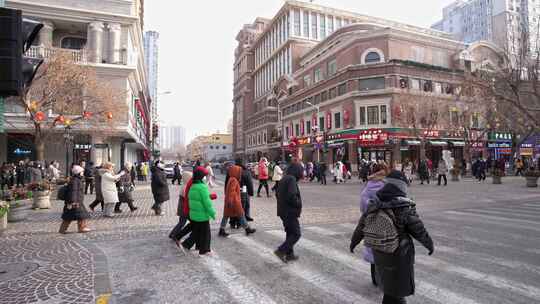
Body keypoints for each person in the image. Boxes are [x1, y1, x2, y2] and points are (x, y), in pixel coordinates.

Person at [350, 170, 434, 304]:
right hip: (399, 254)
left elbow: (361, 226)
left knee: (389, 289)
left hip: (380, 251)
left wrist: (353, 242)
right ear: (401, 187)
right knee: (398, 293)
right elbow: (419, 230)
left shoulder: (375, 202)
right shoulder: (404, 206)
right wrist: (429, 245)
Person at [359, 163, 388, 286]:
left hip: (371, 223)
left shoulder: (367, 188)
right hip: (386, 223)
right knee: (386, 251)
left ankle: (375, 279)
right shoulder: (387, 186)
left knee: (373, 252)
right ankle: (385, 278)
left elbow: (362, 207)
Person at [181, 166, 216, 255]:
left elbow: (194, 200)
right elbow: (207, 203)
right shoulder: (202, 187)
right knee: (206, 234)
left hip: (195, 214)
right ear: (201, 176)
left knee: (197, 232)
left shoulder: (193, 185)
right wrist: (212, 213)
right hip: (202, 215)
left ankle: (186, 244)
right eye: (204, 175)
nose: (205, 177)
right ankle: (205, 250)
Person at [274, 162, 304, 263]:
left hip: (283, 211)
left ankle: (289, 254)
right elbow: (292, 196)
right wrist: (298, 203)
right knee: (296, 234)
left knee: (290, 232)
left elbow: (277, 194)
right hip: (289, 212)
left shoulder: (284, 178)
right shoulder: (291, 179)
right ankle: (281, 250)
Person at [218, 164, 257, 237]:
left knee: (226, 216)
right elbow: (232, 192)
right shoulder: (234, 180)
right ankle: (247, 229)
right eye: (239, 172)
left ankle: (222, 229)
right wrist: (231, 201)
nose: (240, 173)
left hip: (230, 201)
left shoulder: (231, 179)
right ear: (236, 172)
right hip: (234, 201)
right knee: (241, 214)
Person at [59, 165, 91, 234]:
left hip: (77, 201)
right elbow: (73, 191)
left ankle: (81, 228)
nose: (83, 173)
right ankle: (63, 229)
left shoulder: (76, 179)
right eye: (82, 172)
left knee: (80, 215)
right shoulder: (75, 180)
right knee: (71, 216)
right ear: (78, 172)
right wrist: (73, 201)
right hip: (74, 202)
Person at [169, 170, 193, 241]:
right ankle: (174, 235)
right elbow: (188, 198)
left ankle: (173, 234)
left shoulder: (184, 185)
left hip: (183, 208)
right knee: (187, 222)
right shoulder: (186, 186)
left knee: (182, 222)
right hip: (184, 209)